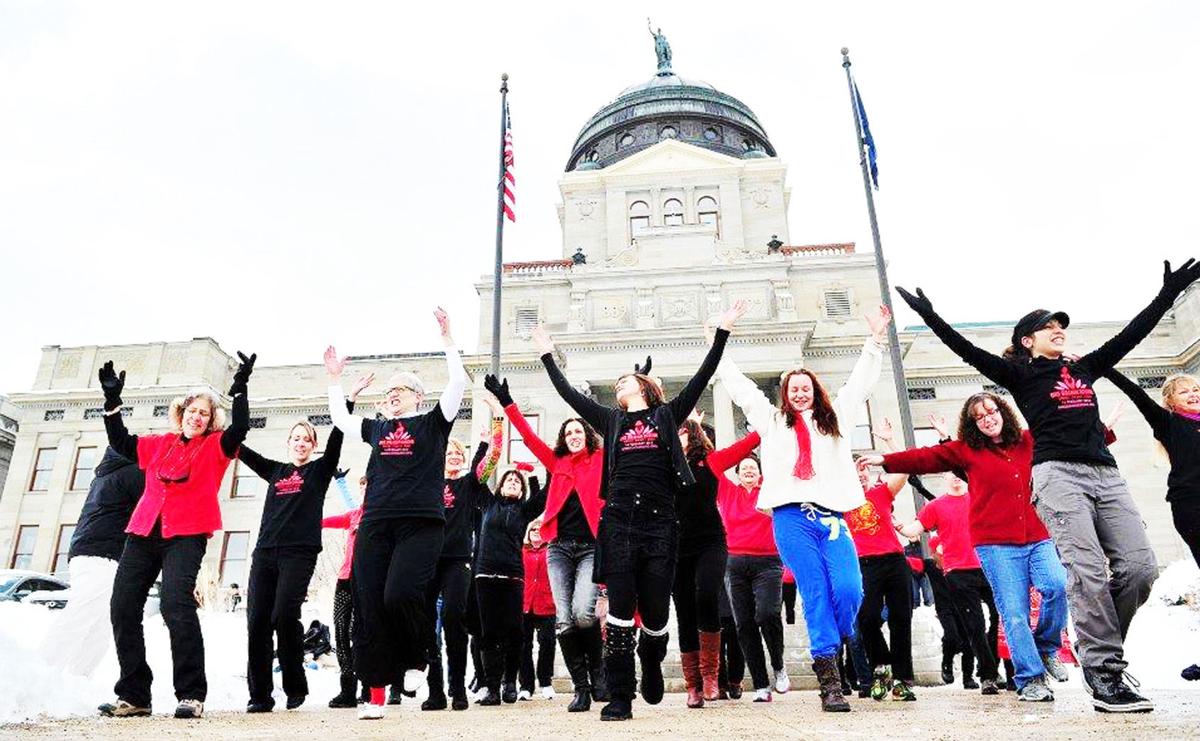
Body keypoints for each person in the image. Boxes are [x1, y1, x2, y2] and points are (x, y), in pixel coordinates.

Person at [895, 260, 1200, 712]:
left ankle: (1097, 648)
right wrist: (930, 316)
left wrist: (1169, 292)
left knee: (1140, 569)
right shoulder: (1020, 375)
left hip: (1106, 473)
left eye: (1061, 325)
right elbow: (965, 350)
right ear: (1027, 340)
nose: (1059, 329)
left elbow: (1134, 333)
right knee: (1089, 571)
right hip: (1057, 475)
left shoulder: (1085, 368)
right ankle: (1105, 669)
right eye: (1048, 326)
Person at [532, 300, 745, 721]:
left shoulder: (668, 415)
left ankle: (652, 657)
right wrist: (546, 353)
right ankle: (619, 696)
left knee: (655, 612)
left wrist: (722, 332)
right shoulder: (610, 421)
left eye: (627, 379)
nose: (620, 382)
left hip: (660, 523)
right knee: (619, 610)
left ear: (644, 388)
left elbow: (704, 374)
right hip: (618, 522)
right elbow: (569, 394)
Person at [716, 304, 893, 712]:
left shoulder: (837, 419)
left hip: (832, 517)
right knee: (814, 591)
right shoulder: (772, 422)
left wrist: (874, 341)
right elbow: (741, 389)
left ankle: (841, 633)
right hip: (792, 517)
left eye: (805, 386)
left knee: (849, 589)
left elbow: (859, 385)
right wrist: (720, 343)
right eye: (792, 387)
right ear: (785, 393)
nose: (799, 392)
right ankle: (829, 679)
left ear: (814, 389)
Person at [862, 391, 1070, 702]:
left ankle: (1046, 645)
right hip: (996, 545)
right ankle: (1030, 679)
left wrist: (1102, 431)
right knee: (1013, 613)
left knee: (1056, 586)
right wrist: (886, 460)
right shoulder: (967, 452)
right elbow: (926, 457)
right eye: (979, 417)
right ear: (973, 425)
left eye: (992, 411)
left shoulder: (1028, 440)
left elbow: (1067, 437)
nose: (988, 419)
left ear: (1003, 412)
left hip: (1038, 536)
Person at [325, 307, 467, 721]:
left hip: (421, 523)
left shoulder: (433, 423)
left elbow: (458, 381)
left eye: (401, 389)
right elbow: (339, 418)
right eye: (389, 390)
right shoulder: (377, 429)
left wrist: (447, 340)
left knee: (401, 594)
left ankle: (419, 657)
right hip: (376, 524)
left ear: (418, 397)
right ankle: (374, 694)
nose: (393, 393)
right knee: (370, 605)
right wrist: (335, 380)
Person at [96, 352, 254, 719]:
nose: (197, 417)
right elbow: (121, 442)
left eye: (205, 413)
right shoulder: (157, 444)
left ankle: (191, 694)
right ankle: (135, 695)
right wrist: (112, 402)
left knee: (175, 605)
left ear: (210, 421)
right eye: (192, 410)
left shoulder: (216, 448)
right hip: (143, 530)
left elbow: (240, 430)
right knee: (122, 607)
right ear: (181, 413)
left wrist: (240, 390)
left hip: (186, 535)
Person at [240, 373, 370, 713]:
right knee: (257, 623)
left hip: (299, 554)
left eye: (306, 439)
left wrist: (349, 398)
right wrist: (232, 409)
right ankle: (260, 695)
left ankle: (295, 686)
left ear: (313, 446)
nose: (301, 443)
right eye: (296, 438)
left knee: (284, 614)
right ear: (289, 442)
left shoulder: (318, 471)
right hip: (265, 553)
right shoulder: (275, 471)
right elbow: (239, 449)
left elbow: (339, 436)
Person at [484, 373, 607, 712]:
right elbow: (526, 434)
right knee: (564, 620)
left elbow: (619, 430)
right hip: (558, 548)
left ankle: (598, 672)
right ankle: (581, 688)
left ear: (588, 435)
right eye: (568, 433)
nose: (573, 436)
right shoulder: (557, 462)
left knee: (583, 613)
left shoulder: (600, 459)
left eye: (578, 431)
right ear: (563, 440)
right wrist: (507, 402)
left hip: (589, 548)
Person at [1104, 369, 1200, 679]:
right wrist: (1106, 367)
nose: (1194, 394)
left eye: (1196, 389)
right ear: (1171, 401)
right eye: (1185, 392)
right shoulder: (1170, 424)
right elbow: (1138, 395)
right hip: (1193, 508)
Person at [675, 415, 760, 707]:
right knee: (684, 610)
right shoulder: (662, 466)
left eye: (679, 430)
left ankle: (711, 674)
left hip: (710, 542)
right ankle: (692, 685)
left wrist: (772, 418)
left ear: (691, 434)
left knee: (706, 594)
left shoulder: (710, 462)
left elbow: (749, 443)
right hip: (676, 547)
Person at [39, 447, 144, 678]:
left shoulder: (106, 473)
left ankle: (77, 681)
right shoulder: (134, 473)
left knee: (100, 621)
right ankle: (41, 674)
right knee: (83, 614)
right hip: (101, 554)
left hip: (89, 551)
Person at [424, 407, 504, 711]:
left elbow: (494, 457)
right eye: (449, 452)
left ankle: (457, 687)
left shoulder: (470, 483)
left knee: (454, 618)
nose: (454, 456)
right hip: (427, 560)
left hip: (458, 560)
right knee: (427, 622)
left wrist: (496, 422)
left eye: (459, 453)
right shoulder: (428, 483)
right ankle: (435, 691)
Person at [714, 448, 788, 703]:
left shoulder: (769, 492)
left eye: (753, 468)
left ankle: (778, 664)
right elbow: (712, 464)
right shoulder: (728, 492)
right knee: (743, 624)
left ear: (760, 474)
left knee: (767, 613)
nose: (748, 470)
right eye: (743, 467)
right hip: (734, 564)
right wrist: (697, 429)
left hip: (767, 563)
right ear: (736, 473)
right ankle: (760, 685)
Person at [843, 448, 916, 702]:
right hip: (863, 564)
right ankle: (881, 665)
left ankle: (902, 680)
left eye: (864, 470)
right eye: (854, 472)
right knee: (867, 617)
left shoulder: (880, 493)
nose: (861, 475)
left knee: (900, 619)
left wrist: (889, 442)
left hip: (894, 560)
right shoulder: (840, 502)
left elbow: (904, 470)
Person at [473, 466, 548, 706]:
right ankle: (492, 687)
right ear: (500, 485)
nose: (513, 481)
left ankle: (510, 683)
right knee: (489, 632)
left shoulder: (524, 510)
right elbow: (478, 476)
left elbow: (544, 496)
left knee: (515, 632)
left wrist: (537, 471)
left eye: (517, 480)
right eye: (509, 479)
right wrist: (488, 446)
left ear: (522, 488)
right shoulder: (488, 503)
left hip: (512, 576)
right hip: (485, 575)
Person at [321, 473, 366, 708]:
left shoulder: (381, 516)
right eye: (363, 488)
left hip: (367, 583)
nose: (365, 492)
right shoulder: (354, 515)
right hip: (344, 579)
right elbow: (326, 520)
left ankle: (369, 686)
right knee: (340, 632)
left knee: (361, 634)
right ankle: (347, 689)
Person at [519, 518, 557, 701]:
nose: (536, 531)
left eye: (539, 528)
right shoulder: (521, 552)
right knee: (524, 646)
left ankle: (545, 681)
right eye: (532, 528)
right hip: (524, 605)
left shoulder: (552, 551)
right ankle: (526, 685)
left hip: (547, 604)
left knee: (547, 642)